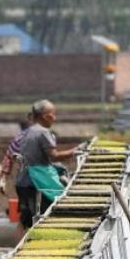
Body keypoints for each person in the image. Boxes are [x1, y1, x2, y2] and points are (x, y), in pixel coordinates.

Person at [13, 99, 80, 231]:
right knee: (47, 214)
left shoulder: (27, 132)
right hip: (38, 181)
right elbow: (53, 156)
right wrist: (74, 151)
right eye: (53, 114)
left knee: (26, 219)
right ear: (45, 116)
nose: (54, 118)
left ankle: (23, 246)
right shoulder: (43, 132)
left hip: (23, 180)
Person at [0, 111, 36, 194]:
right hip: (40, 180)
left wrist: (3, 180)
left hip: (23, 181)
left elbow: (9, 157)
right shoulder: (41, 136)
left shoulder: (18, 138)